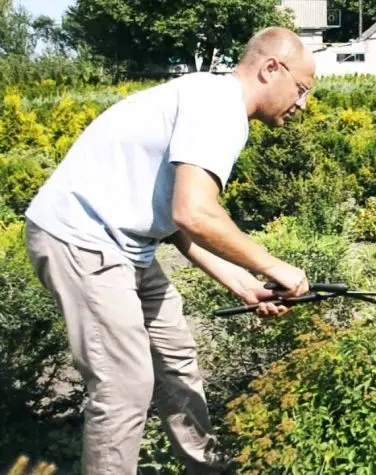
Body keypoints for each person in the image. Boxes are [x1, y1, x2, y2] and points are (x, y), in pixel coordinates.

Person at [24, 26, 314, 474]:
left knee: (177, 360)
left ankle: (206, 467)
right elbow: (194, 212)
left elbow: (175, 221)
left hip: (128, 245)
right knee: (124, 386)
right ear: (270, 68)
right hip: (81, 239)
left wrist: (243, 283)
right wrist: (275, 265)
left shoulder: (210, 99)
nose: (302, 105)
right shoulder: (219, 109)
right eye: (300, 90)